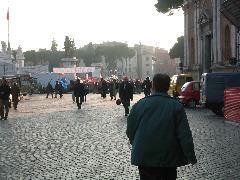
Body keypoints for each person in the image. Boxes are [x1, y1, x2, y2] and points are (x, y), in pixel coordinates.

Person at [126, 73, 197, 180]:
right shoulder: (176, 106)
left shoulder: (140, 104)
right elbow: (184, 134)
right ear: (168, 87)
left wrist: (135, 142)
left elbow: (130, 130)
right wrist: (191, 156)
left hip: (145, 156)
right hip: (168, 157)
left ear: (153, 85)